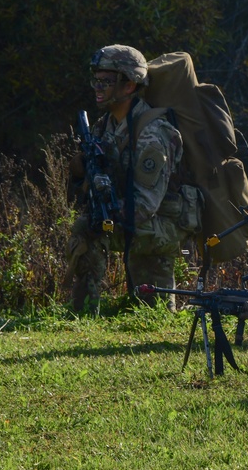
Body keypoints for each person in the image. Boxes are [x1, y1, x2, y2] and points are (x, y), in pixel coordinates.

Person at [65, 45, 196, 313]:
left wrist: (104, 219)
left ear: (129, 85)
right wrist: (82, 173)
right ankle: (93, 313)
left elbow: (144, 205)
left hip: (164, 224)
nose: (98, 88)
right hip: (138, 220)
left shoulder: (153, 134)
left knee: (87, 229)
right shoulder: (105, 127)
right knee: (153, 309)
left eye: (106, 82)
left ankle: (86, 313)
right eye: (96, 81)